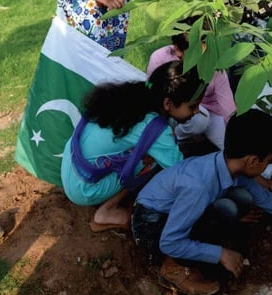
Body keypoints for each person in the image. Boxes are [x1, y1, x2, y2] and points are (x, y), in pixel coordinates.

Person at [132, 109, 272, 295]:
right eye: (268, 161)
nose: (266, 167)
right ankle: (174, 267)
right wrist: (220, 254)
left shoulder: (226, 163)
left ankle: (207, 248)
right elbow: (169, 242)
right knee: (226, 209)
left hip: (173, 209)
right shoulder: (199, 187)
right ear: (253, 161)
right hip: (150, 222)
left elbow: (259, 195)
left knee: (241, 198)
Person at [61, 61, 202, 232]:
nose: (197, 112)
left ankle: (114, 195)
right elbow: (180, 171)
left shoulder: (133, 97)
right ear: (167, 104)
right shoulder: (155, 127)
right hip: (83, 188)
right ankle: (107, 211)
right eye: (193, 106)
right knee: (151, 162)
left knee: (146, 152)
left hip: (71, 163)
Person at [147, 18, 236, 152]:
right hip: (171, 109)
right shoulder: (160, 58)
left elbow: (228, 108)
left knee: (230, 147)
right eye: (175, 47)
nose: (176, 52)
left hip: (208, 112)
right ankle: (168, 138)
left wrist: (236, 128)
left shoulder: (214, 66)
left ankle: (178, 136)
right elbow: (150, 94)